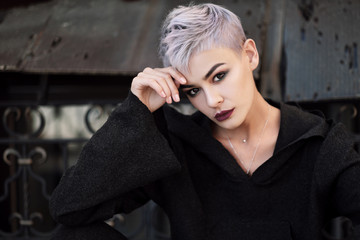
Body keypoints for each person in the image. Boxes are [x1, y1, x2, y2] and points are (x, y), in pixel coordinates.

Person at [49, 3, 360, 240]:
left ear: (249, 55)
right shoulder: (177, 145)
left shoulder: (318, 143)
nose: (212, 101)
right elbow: (69, 209)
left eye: (219, 75)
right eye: (193, 90)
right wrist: (136, 111)